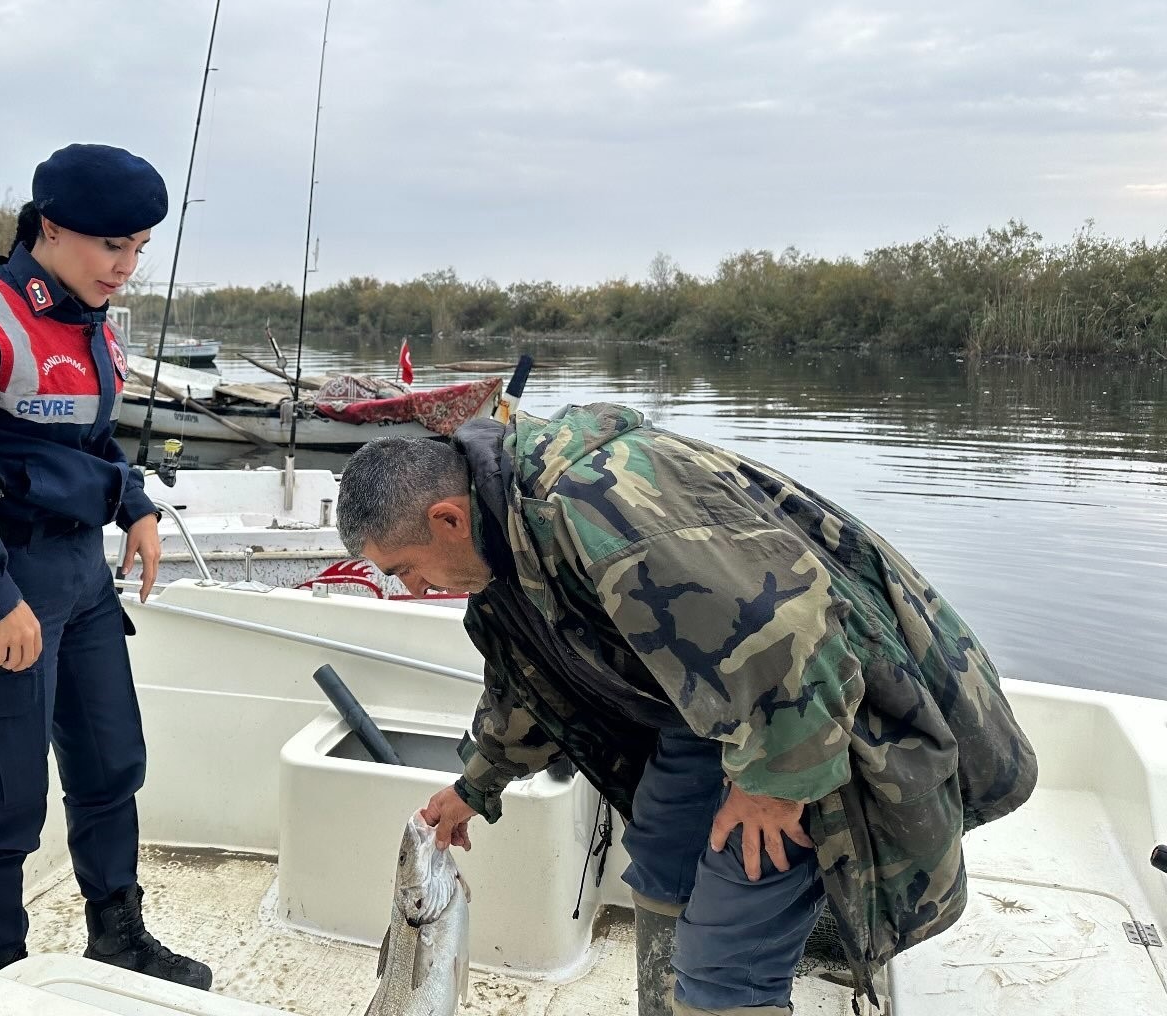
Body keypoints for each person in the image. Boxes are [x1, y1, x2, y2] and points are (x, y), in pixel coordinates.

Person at [335, 404, 1037, 1016]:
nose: (416, 591)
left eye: (405, 570)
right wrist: (472, 788)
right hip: (709, 716)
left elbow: (794, 638)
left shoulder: (596, 508)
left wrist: (772, 791)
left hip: (816, 727)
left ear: (447, 518)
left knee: (724, 964)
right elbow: (526, 685)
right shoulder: (501, 547)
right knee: (661, 867)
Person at [0, 143, 211, 989]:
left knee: (111, 766)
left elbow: (87, 442)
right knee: (5, 808)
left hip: (83, 581)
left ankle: (119, 937)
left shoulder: (85, 323)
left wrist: (134, 504)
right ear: (50, 227)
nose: (128, 267)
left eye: (140, 248)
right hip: (1, 585)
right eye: (114, 246)